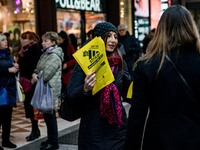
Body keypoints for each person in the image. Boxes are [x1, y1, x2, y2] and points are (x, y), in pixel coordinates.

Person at [125, 5, 200, 150]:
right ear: (191, 27)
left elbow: (137, 117)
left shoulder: (146, 65)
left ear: (162, 29)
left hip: (159, 141)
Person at [68, 22, 131, 150]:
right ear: (99, 38)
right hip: (93, 129)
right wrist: (85, 89)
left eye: (115, 36)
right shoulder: (85, 62)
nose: (113, 40)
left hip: (118, 128)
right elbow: (71, 98)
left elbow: (127, 92)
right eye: (109, 36)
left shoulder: (120, 61)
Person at [31, 31, 63, 150]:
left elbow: (47, 73)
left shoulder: (54, 55)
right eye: (43, 41)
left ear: (53, 42)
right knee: (47, 116)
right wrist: (35, 74)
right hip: (44, 88)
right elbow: (38, 68)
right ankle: (50, 139)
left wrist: (36, 76)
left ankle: (54, 143)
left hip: (50, 89)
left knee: (50, 116)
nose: (43, 43)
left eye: (46, 41)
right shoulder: (46, 54)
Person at [18, 31, 42, 141]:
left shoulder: (35, 48)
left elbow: (36, 65)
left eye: (24, 38)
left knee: (33, 107)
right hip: (24, 81)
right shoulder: (23, 50)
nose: (22, 40)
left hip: (32, 82)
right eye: (22, 38)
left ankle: (35, 130)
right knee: (28, 106)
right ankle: (35, 129)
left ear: (31, 40)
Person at [0, 34, 19, 149]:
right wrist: (8, 69)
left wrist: (16, 67)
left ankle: (6, 140)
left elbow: (14, 69)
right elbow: (6, 69)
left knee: (7, 118)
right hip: (1, 90)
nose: (6, 42)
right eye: (3, 40)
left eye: (6, 40)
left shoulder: (9, 54)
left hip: (9, 90)